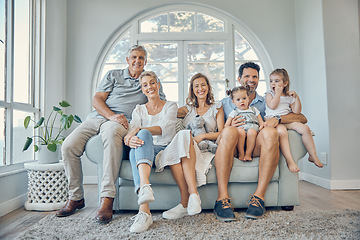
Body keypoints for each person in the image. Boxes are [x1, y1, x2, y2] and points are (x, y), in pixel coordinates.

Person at [56, 45, 165, 224]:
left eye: (141, 58)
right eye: (134, 57)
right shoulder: (113, 75)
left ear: (146, 62)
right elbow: (97, 99)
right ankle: (76, 197)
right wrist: (111, 115)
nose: (137, 61)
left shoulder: (148, 79)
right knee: (68, 146)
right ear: (127, 60)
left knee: (112, 133)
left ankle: (107, 198)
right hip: (99, 117)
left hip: (123, 123)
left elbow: (158, 102)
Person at [215, 62, 308, 221]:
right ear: (239, 79)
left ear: (258, 79)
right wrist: (229, 127)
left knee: (270, 132)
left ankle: (258, 197)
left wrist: (277, 119)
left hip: (255, 144)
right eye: (247, 76)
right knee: (229, 131)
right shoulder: (225, 102)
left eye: (255, 77)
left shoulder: (267, 100)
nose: (251, 80)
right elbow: (219, 134)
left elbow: (301, 118)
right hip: (233, 146)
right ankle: (222, 199)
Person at [157, 73, 224, 220]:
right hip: (186, 148)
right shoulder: (187, 109)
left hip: (205, 148)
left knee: (184, 137)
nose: (200, 88)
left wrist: (203, 136)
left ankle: (185, 202)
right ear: (192, 90)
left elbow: (222, 132)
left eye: (203, 85)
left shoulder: (217, 108)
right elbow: (165, 110)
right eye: (196, 86)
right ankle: (192, 196)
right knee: (183, 137)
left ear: (208, 87)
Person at [125, 71, 177, 233]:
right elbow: (132, 132)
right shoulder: (139, 109)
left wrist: (139, 131)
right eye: (145, 85)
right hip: (144, 150)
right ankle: (144, 201)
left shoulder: (171, 106)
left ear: (158, 84)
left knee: (143, 135)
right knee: (137, 145)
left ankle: (144, 208)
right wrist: (128, 139)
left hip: (165, 149)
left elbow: (164, 129)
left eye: (152, 83)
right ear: (142, 90)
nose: (150, 87)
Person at [265, 68, 323, 172]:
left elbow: (296, 111)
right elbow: (272, 106)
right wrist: (277, 94)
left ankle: (312, 155)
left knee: (305, 128)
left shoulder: (288, 97)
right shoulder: (269, 94)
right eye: (271, 81)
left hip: (286, 120)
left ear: (285, 83)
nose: (273, 83)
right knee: (282, 131)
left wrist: (296, 98)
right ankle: (290, 160)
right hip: (273, 121)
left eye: (277, 81)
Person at [225, 86, 264, 161]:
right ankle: (241, 153)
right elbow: (226, 125)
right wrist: (232, 127)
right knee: (240, 132)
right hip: (240, 130)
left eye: (244, 98)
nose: (241, 101)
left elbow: (261, 121)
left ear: (248, 98)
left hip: (253, 130)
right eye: (238, 100)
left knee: (251, 131)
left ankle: (248, 154)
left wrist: (261, 129)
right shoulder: (235, 111)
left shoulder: (254, 109)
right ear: (233, 102)